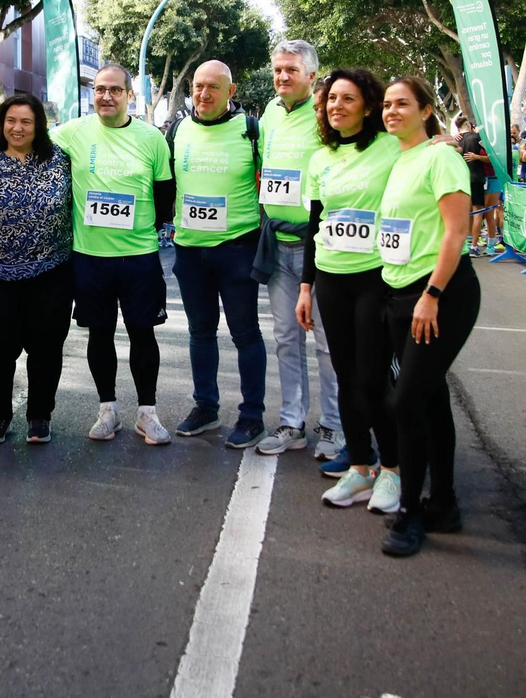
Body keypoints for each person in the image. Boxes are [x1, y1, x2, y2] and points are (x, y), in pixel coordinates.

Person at [376, 75, 480, 557]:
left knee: (406, 403)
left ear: (425, 110)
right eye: (387, 105)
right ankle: (445, 503)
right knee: (431, 399)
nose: (391, 111)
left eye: (402, 104)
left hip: (438, 295)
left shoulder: (442, 157)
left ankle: (410, 512)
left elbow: (456, 232)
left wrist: (432, 293)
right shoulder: (401, 159)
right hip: (400, 295)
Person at [296, 68, 403, 512]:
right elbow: (314, 225)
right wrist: (306, 287)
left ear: (368, 105)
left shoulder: (391, 148)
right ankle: (360, 467)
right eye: (331, 99)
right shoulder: (320, 158)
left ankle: (393, 471)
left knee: (373, 377)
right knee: (345, 375)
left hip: (375, 277)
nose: (336, 105)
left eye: (348, 98)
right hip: (330, 278)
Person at [50, 64, 175, 444]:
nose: (105, 96)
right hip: (89, 256)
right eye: (100, 89)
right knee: (99, 335)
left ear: (129, 96)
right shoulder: (72, 132)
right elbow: (26, 138)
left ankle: (147, 413)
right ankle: (108, 410)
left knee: (143, 333)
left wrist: (147, 230)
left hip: (139, 257)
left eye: (114, 90)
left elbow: (164, 193)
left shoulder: (152, 138)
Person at [0, 93, 73, 444]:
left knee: (45, 351)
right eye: (11, 120)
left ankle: (40, 416)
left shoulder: (60, 160)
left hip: (52, 273)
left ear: (38, 124)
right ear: (2, 123)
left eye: (26, 121)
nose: (17, 127)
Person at [169, 60, 265, 450]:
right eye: (198, 86)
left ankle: (252, 416)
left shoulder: (252, 131)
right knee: (200, 333)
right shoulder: (177, 130)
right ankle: (205, 407)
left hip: (237, 248)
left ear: (231, 91)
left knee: (245, 334)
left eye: (213, 87)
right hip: (190, 250)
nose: (203, 94)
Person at [256, 40, 342, 460]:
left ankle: (335, 427)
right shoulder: (270, 112)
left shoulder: (329, 111)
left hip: (319, 248)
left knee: (328, 341)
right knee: (287, 338)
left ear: (311, 75)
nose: (282, 77)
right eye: (277, 69)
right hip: (277, 246)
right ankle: (292, 423)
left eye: (291, 70)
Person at [456, 117, 492, 258]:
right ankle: (474, 246)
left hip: (460, 180)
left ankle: (464, 243)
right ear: (467, 125)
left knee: (465, 212)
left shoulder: (454, 140)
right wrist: (478, 157)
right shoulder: (477, 138)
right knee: (478, 212)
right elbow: (492, 157)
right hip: (476, 178)